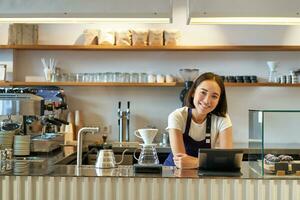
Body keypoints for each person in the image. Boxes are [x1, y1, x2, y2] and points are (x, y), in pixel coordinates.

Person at [164, 72, 233, 169]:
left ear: (219, 100)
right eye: (203, 92)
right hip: (173, 174)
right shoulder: (177, 116)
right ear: (193, 92)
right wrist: (213, 162)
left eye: (214, 96)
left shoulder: (222, 118)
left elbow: (227, 160)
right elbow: (181, 162)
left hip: (204, 174)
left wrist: (196, 162)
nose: (206, 101)